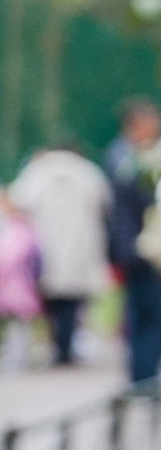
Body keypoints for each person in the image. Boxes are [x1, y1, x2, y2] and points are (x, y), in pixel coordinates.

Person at [9, 144, 112, 366]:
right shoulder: (89, 172)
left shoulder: (36, 173)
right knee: (72, 301)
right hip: (81, 245)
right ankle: (65, 347)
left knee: (51, 300)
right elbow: (106, 204)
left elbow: (19, 203)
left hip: (45, 245)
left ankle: (59, 346)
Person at [103, 98, 161, 384]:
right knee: (146, 312)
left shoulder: (129, 155)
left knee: (148, 311)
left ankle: (146, 371)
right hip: (139, 247)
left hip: (141, 246)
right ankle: (145, 374)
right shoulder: (127, 158)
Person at [0, 188, 43, 370]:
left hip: (16, 284)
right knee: (13, 324)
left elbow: (13, 255)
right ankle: (14, 353)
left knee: (19, 323)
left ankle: (19, 355)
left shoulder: (18, 228)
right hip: (9, 284)